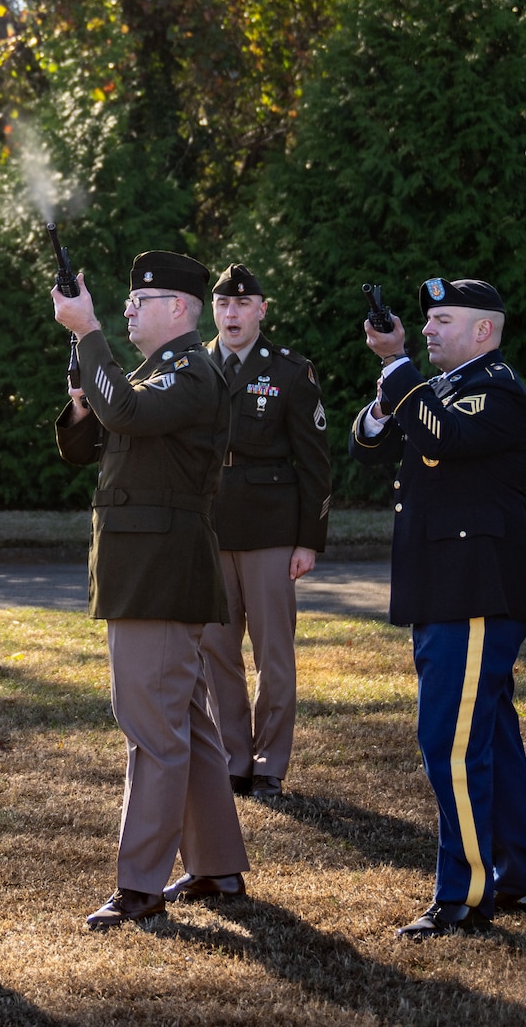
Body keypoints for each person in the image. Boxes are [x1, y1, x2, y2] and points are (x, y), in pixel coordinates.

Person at [53, 251, 249, 930]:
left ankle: (140, 885)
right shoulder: (146, 373)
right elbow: (85, 446)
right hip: (146, 571)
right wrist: (83, 388)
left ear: (180, 310)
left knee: (151, 730)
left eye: (144, 299)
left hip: (161, 574)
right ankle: (218, 863)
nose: (129, 307)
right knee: (184, 724)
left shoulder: (192, 371)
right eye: (128, 300)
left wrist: (88, 334)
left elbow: (129, 414)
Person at [351, 276, 526, 940]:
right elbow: (366, 440)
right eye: (426, 320)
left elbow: (442, 436)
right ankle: (517, 873)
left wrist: (397, 364)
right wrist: (388, 394)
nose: (428, 329)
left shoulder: (498, 391)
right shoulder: (444, 388)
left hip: (474, 591)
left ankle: (463, 894)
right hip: (454, 587)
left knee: (450, 744)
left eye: (442, 320)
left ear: (483, 330)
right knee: (487, 736)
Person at [201, 263, 332, 801]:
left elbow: (316, 463)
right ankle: (233, 758)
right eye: (223, 305)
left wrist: (309, 540)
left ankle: (270, 762)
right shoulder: (194, 367)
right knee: (216, 651)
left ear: (262, 310)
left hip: (272, 530)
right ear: (214, 311)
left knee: (273, 654)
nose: (232, 314)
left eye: (242, 304)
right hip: (209, 530)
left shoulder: (290, 371)